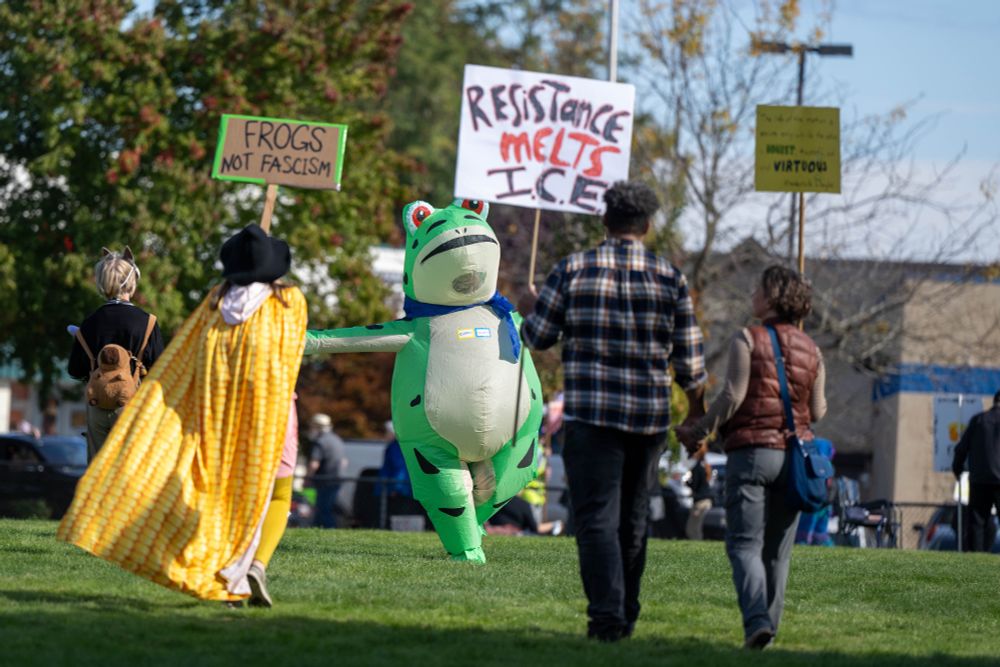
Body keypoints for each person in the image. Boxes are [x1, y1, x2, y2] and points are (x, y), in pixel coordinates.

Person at [59, 224, 307, 605]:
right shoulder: (288, 304)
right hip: (262, 410)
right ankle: (252, 562)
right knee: (275, 491)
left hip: (156, 408)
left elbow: (176, 359)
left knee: (101, 468)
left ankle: (97, 526)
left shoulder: (213, 303)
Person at [519, 180, 708, 642]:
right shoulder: (670, 278)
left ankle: (607, 616)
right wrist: (696, 418)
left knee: (595, 519)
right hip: (647, 421)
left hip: (589, 416)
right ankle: (625, 610)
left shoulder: (572, 269)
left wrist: (531, 306)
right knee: (634, 518)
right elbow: (691, 362)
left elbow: (536, 336)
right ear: (646, 225)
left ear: (604, 221)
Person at [678, 265, 826, 650]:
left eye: (758, 290)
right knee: (778, 551)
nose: (752, 296)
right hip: (794, 458)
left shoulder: (748, 338)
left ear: (773, 296)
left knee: (743, 544)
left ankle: (756, 621)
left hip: (752, 453)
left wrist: (699, 430)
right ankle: (767, 633)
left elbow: (732, 396)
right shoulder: (813, 350)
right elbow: (819, 410)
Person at [68, 247, 164, 459]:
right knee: (131, 470)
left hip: (97, 404)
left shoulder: (89, 323)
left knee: (97, 472)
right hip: (133, 406)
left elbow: (74, 369)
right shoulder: (148, 322)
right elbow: (161, 369)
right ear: (132, 281)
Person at [952, 390, 1000, 552]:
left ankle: (976, 557)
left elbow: (961, 449)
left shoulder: (978, 420)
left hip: (980, 479)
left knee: (977, 522)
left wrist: (957, 469)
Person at [308, 413, 347, 528]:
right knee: (329, 507)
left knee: (322, 510)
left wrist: (307, 477)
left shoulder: (320, 441)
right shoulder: (337, 440)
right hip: (337, 478)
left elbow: (314, 464)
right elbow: (344, 462)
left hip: (324, 479)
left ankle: (329, 530)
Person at [795, 437, 836, 546]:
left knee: (808, 529)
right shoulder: (827, 465)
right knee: (819, 530)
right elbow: (829, 483)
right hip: (823, 501)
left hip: (812, 500)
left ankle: (804, 542)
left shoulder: (810, 461)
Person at [685, 441, 714, 540]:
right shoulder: (705, 465)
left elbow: (695, 485)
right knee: (697, 527)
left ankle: (696, 547)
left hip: (699, 501)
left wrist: (687, 483)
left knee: (692, 529)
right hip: (707, 500)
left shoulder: (697, 467)